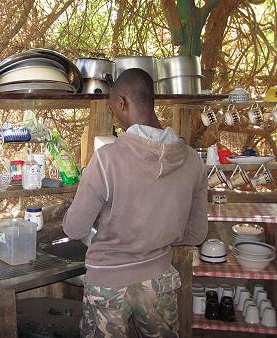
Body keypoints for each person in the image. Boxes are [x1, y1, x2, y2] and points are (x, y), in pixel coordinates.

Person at [63, 68, 208, 337]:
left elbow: (74, 228)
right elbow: (197, 233)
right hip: (159, 281)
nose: (115, 117)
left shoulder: (107, 159)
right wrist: (157, 234)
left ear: (121, 102)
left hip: (108, 285)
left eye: (113, 109)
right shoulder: (192, 161)